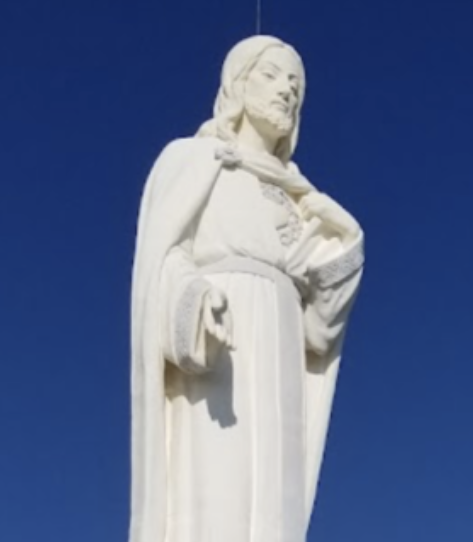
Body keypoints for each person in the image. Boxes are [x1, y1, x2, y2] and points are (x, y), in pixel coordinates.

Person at [127, 35, 364, 542]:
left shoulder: (302, 203)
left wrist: (347, 241)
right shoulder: (194, 160)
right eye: (272, 75)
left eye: (296, 85)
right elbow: (160, 261)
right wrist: (193, 297)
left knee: (275, 503)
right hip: (220, 349)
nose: (287, 92)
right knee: (219, 489)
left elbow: (318, 336)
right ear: (237, 84)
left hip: (280, 356)